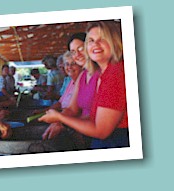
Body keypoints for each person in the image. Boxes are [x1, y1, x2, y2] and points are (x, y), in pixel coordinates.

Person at [39, 20, 129, 149]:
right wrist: (59, 120)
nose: (77, 55)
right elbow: (79, 111)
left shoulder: (115, 72)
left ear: (114, 41)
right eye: (91, 41)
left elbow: (101, 130)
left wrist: (61, 118)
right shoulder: (100, 73)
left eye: (102, 39)